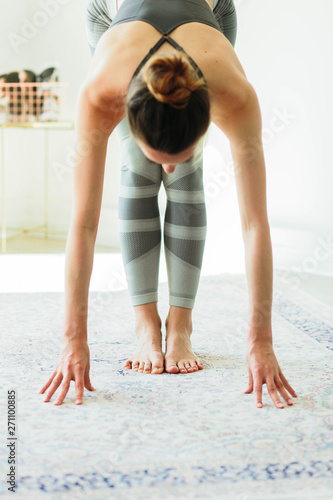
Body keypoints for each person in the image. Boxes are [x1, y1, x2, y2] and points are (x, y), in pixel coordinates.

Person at [39, 0, 297, 409]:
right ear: (126, 115)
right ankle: (145, 324)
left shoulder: (233, 93)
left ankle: (181, 324)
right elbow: (83, 224)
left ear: (210, 111)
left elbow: (254, 225)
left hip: (210, 14)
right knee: (139, 171)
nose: (169, 167)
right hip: (115, 14)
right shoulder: (102, 92)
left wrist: (261, 341)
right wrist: (73, 339)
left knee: (187, 175)